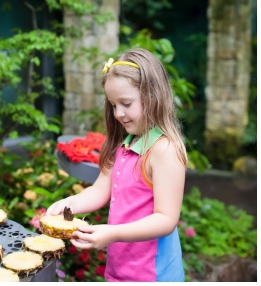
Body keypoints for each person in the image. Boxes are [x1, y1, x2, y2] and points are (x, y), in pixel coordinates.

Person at [47, 49, 186, 281]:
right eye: (113, 105)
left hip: (153, 275)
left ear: (153, 96)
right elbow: (99, 190)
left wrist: (113, 233)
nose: (118, 113)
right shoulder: (125, 144)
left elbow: (166, 219)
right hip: (120, 270)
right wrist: (68, 204)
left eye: (126, 103)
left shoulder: (164, 150)